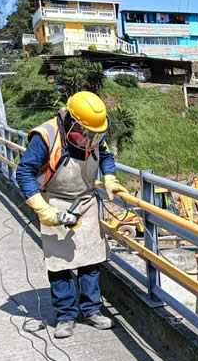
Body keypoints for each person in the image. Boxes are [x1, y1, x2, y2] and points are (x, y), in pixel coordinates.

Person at [16, 91, 128, 339]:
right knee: (59, 263)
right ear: (70, 121)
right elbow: (24, 172)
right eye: (84, 132)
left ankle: (91, 310)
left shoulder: (94, 134)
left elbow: (105, 156)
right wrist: (43, 210)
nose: (89, 138)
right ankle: (66, 315)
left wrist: (109, 177)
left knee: (90, 259)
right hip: (56, 200)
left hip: (86, 200)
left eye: (94, 134)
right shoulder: (46, 136)